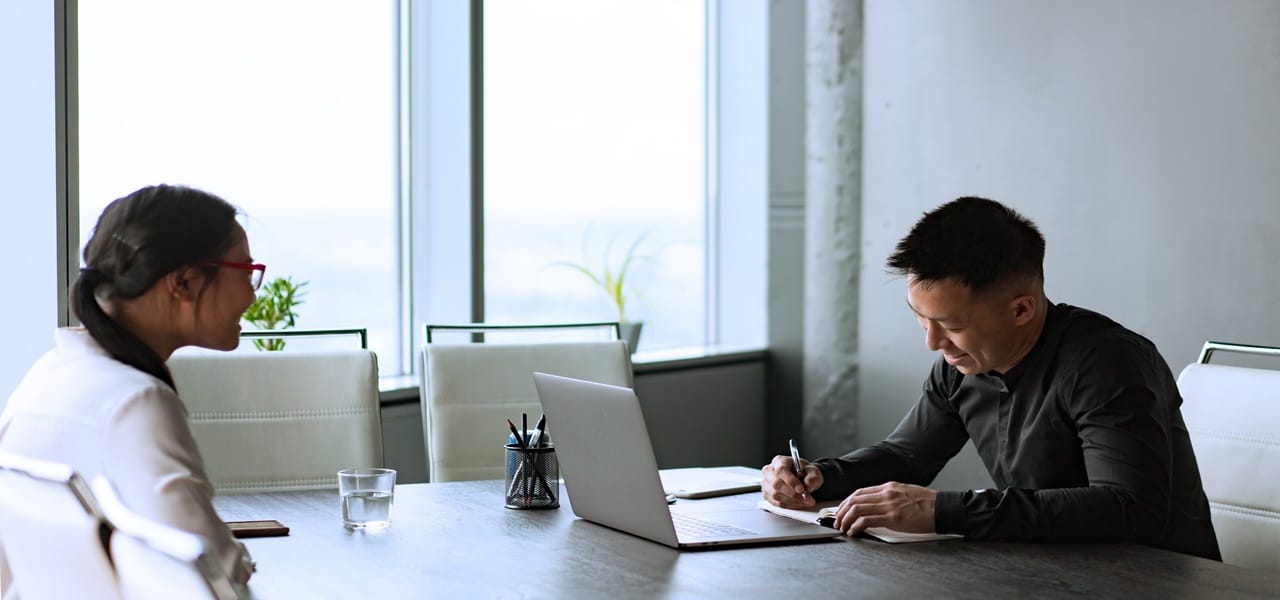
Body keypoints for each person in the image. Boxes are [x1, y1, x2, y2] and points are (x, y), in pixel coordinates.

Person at [762, 196, 1220, 560]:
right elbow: (906, 456)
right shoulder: (962, 365)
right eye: (922, 319)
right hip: (1044, 573)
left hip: (1155, 581)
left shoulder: (1108, 363)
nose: (934, 343)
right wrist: (820, 475)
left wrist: (943, 511)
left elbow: (1129, 510)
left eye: (952, 325)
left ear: (1022, 309)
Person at [0, 184, 261, 596]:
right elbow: (214, 575)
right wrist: (240, 557)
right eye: (246, 272)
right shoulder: (136, 403)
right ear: (186, 282)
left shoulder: (49, 374)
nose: (251, 293)